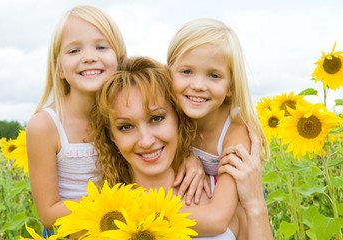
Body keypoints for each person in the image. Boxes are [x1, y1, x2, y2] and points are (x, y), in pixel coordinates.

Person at [91, 56, 249, 239]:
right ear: (112, 137)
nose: (146, 141)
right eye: (126, 127)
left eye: (156, 118)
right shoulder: (104, 217)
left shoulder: (223, 194)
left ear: (179, 118)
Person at [25, 5, 127, 236]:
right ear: (59, 68)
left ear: (119, 59)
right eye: (73, 51)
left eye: (101, 47)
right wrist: (114, 208)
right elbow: (49, 215)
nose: (89, 57)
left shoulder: (130, 115)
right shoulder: (45, 125)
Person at [166, 17, 270, 232]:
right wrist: (186, 153)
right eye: (186, 71)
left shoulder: (236, 130)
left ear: (231, 86)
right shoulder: (168, 113)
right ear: (169, 73)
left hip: (233, 212)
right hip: (195, 206)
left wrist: (139, 211)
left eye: (214, 75)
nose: (198, 85)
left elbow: (219, 218)